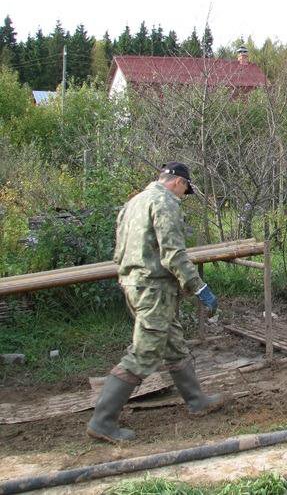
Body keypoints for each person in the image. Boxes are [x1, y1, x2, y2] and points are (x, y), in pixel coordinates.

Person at [87, 162, 223, 443]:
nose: (183, 196)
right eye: (185, 190)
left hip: (133, 283)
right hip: (153, 288)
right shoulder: (165, 203)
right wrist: (199, 288)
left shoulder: (133, 203)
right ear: (178, 183)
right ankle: (102, 421)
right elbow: (173, 254)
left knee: (173, 343)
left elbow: (119, 251)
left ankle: (197, 401)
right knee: (145, 351)